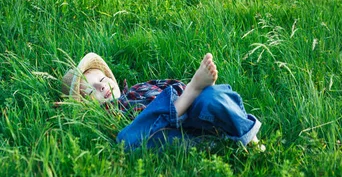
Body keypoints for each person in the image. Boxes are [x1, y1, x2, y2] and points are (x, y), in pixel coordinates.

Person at [61, 52, 263, 151]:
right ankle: (214, 142)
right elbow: (137, 133)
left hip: (191, 111)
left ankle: (251, 141)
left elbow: (172, 87)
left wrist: (192, 92)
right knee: (126, 139)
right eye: (90, 92)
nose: (102, 87)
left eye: (103, 80)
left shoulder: (139, 88)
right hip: (164, 131)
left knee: (212, 97)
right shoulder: (110, 115)